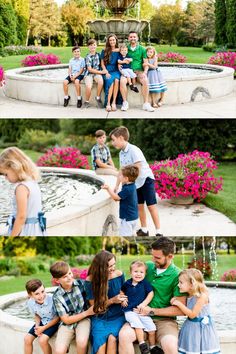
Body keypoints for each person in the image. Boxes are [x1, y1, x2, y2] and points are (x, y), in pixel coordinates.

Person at [119, 237, 187, 354]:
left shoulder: (178, 275)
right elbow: (130, 282)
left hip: (164, 322)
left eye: (157, 258)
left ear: (170, 256)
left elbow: (181, 310)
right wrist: (122, 298)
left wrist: (151, 311)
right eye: (152, 256)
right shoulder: (147, 267)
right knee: (124, 336)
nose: (152, 260)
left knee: (171, 345)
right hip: (137, 316)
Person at [109, 126, 162, 237]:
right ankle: (144, 229)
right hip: (134, 182)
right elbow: (121, 171)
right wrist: (117, 185)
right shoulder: (121, 153)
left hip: (145, 179)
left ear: (121, 138)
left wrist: (129, 183)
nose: (112, 143)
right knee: (139, 205)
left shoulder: (133, 149)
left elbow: (138, 167)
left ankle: (158, 231)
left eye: (113, 140)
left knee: (151, 206)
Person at [85, 250, 127, 354]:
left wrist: (123, 300)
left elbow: (124, 294)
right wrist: (112, 300)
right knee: (100, 344)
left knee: (112, 339)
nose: (113, 268)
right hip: (100, 318)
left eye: (114, 264)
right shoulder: (90, 281)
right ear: (100, 267)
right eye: (109, 266)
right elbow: (94, 308)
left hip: (118, 316)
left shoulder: (119, 275)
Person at [170, 268, 221, 354]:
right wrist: (177, 299)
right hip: (190, 328)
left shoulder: (202, 297)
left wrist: (179, 304)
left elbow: (193, 314)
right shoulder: (189, 295)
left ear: (192, 284)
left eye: (181, 282)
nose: (178, 285)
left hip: (201, 329)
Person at [0, 147, 47, 236]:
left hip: (25, 230)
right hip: (36, 229)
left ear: (14, 167)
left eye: (6, 174)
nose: (5, 178)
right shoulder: (32, 183)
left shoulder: (21, 188)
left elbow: (21, 217)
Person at [50, 261, 94, 354]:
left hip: (84, 320)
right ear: (57, 280)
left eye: (70, 273)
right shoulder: (57, 296)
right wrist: (87, 313)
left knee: (81, 342)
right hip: (68, 323)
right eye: (65, 276)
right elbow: (66, 320)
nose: (69, 277)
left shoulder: (82, 285)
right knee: (58, 350)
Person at [120, 261, 156, 354]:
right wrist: (123, 299)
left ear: (145, 274)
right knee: (137, 324)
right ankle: (142, 344)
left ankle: (152, 346)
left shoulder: (145, 283)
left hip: (141, 311)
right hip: (130, 311)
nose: (138, 274)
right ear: (130, 272)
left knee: (152, 328)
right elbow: (121, 291)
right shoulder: (127, 283)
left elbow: (150, 293)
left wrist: (144, 304)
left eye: (141, 272)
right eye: (136, 271)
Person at [119, 31, 154, 112]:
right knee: (122, 81)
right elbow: (117, 55)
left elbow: (145, 63)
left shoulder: (142, 49)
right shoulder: (125, 48)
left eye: (134, 37)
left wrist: (145, 72)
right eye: (131, 37)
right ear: (128, 38)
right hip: (127, 71)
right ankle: (125, 103)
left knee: (145, 80)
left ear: (137, 38)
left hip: (138, 71)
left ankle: (146, 104)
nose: (132, 38)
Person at [24, 279, 59, 354]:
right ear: (30, 295)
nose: (41, 296)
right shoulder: (30, 302)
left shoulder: (52, 299)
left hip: (54, 322)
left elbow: (58, 318)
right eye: (37, 294)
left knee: (42, 340)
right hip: (42, 321)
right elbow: (37, 315)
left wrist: (43, 328)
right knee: (27, 339)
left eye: (43, 291)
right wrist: (37, 327)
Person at [102, 165, 139, 236]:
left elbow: (116, 198)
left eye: (120, 176)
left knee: (124, 237)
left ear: (126, 178)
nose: (119, 177)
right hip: (134, 217)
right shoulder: (132, 185)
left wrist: (108, 189)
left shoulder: (127, 189)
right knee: (132, 234)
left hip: (127, 219)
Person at [84, 39, 107, 108]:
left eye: (94, 45)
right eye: (91, 45)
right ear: (88, 47)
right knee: (88, 86)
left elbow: (102, 63)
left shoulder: (99, 55)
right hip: (89, 74)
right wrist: (101, 72)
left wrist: (104, 70)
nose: (92, 47)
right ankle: (87, 101)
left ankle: (97, 97)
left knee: (101, 81)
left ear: (96, 46)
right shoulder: (87, 57)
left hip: (97, 74)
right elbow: (90, 69)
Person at [100, 34, 121, 112]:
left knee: (117, 80)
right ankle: (108, 103)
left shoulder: (119, 50)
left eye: (113, 40)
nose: (112, 41)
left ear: (116, 41)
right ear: (108, 41)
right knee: (110, 82)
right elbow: (102, 63)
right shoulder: (104, 50)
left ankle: (114, 102)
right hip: (107, 70)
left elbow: (126, 51)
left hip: (116, 70)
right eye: (110, 40)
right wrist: (105, 72)